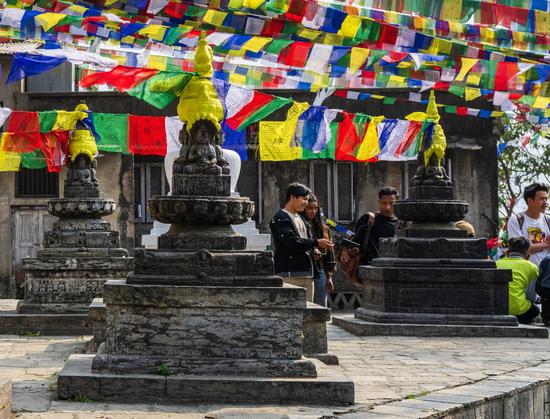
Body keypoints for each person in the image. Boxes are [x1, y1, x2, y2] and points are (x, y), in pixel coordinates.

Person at [269, 183, 333, 302]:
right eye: (304, 199)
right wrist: (316, 242)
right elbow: (291, 241)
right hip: (290, 274)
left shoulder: (300, 218)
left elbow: (304, 241)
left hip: (308, 274)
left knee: (307, 316)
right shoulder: (281, 217)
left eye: (307, 199)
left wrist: (314, 250)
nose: (306, 202)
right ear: (293, 197)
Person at [507, 182, 549, 302]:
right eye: (541, 199)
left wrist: (533, 246)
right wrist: (546, 244)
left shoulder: (548, 221)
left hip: (546, 280)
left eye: (546, 199)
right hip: (525, 278)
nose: (545, 202)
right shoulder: (516, 220)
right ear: (530, 201)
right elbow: (520, 249)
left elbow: (528, 247)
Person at [300, 194, 337, 307]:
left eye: (315, 208)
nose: (313, 211)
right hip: (303, 270)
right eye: (309, 208)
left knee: (321, 306)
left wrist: (329, 276)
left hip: (320, 269)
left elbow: (330, 254)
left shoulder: (323, 228)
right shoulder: (299, 225)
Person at [496, 237, 540, 324]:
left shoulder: (496, 263)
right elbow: (531, 297)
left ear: (508, 252)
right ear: (527, 255)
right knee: (536, 310)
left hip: (498, 310)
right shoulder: (532, 267)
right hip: (520, 311)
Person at [354, 186, 399, 265]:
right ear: (379, 202)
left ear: (397, 202)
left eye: (391, 203)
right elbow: (355, 243)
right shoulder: (368, 219)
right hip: (369, 269)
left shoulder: (400, 224)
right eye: (384, 203)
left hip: (392, 269)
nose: (387, 207)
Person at [536, 256, 550, 326]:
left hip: (546, 290)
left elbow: (539, 279)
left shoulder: (547, 258)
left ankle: (547, 319)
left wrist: (540, 292)